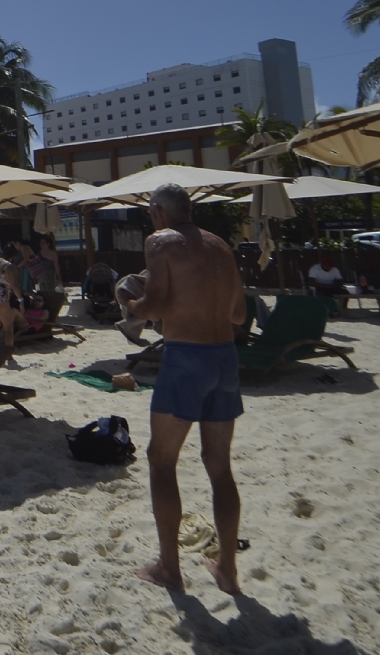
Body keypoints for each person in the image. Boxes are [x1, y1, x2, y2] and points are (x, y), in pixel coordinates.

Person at [125, 183, 245, 594]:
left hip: (186, 358)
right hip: (225, 357)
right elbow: (239, 313)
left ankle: (169, 569)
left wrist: (130, 302)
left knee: (161, 459)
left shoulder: (160, 242)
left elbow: (154, 308)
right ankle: (227, 569)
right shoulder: (220, 246)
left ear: (158, 211)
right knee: (219, 467)